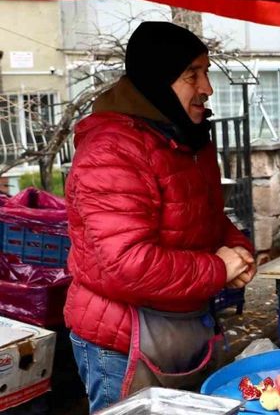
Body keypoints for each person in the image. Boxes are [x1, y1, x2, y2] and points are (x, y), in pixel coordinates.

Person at [64, 22, 256, 412]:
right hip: (122, 340)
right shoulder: (111, 151)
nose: (207, 87)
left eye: (207, 72)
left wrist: (236, 246)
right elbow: (126, 263)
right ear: (157, 79)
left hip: (183, 327)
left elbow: (202, 217)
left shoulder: (184, 137)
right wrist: (217, 269)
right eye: (192, 75)